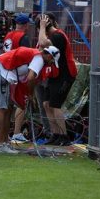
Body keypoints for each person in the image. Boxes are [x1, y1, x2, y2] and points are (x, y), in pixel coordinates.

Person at [0, 45, 59, 153]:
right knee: (2, 108)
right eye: (52, 61)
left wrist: (27, 94)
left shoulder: (36, 56)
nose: (51, 63)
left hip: (0, 73)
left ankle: (5, 143)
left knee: (8, 109)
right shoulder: (39, 58)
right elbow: (30, 78)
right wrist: (30, 94)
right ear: (49, 56)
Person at [37, 14, 76, 145]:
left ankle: (64, 136)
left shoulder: (57, 36)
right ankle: (55, 134)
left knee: (55, 105)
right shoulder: (51, 36)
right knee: (46, 104)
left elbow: (42, 43)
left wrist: (42, 26)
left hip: (65, 75)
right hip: (55, 74)